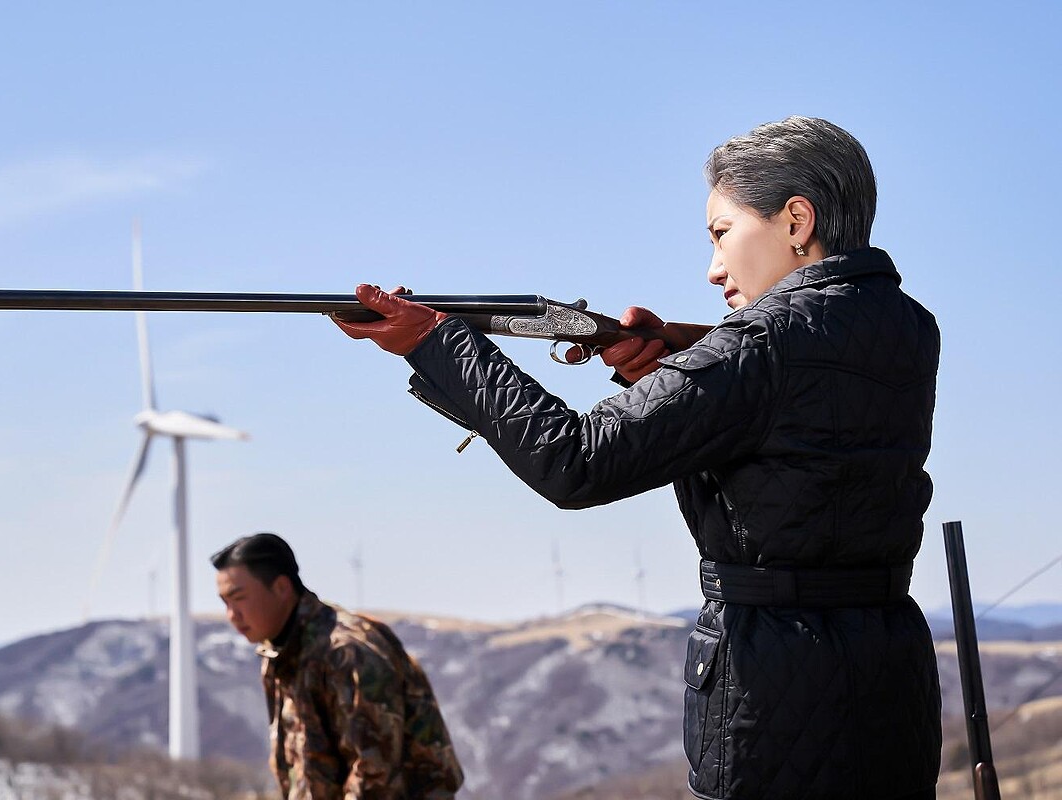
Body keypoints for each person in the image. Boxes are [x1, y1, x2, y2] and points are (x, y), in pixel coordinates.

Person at [332, 116, 941, 800]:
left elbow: (576, 460)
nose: (714, 268)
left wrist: (439, 344)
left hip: (772, 689)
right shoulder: (908, 326)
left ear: (796, 221)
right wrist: (671, 362)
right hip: (890, 676)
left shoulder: (760, 344)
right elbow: (791, 421)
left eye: (722, 233)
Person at [211, 532, 464, 799]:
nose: (232, 615)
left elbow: (374, 777)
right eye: (225, 603)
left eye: (239, 598)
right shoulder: (281, 654)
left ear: (282, 588)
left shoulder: (346, 652)